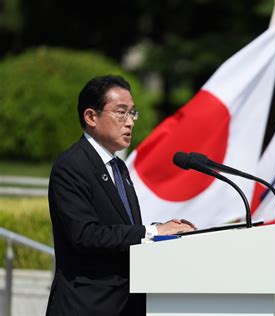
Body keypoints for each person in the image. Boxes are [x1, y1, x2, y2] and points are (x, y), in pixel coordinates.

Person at [46, 75, 196, 316]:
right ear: (91, 117)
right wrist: (153, 231)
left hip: (127, 304)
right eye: (121, 112)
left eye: (132, 113)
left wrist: (163, 230)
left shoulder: (119, 167)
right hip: (88, 305)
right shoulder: (71, 166)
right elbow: (85, 235)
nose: (130, 122)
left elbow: (122, 228)